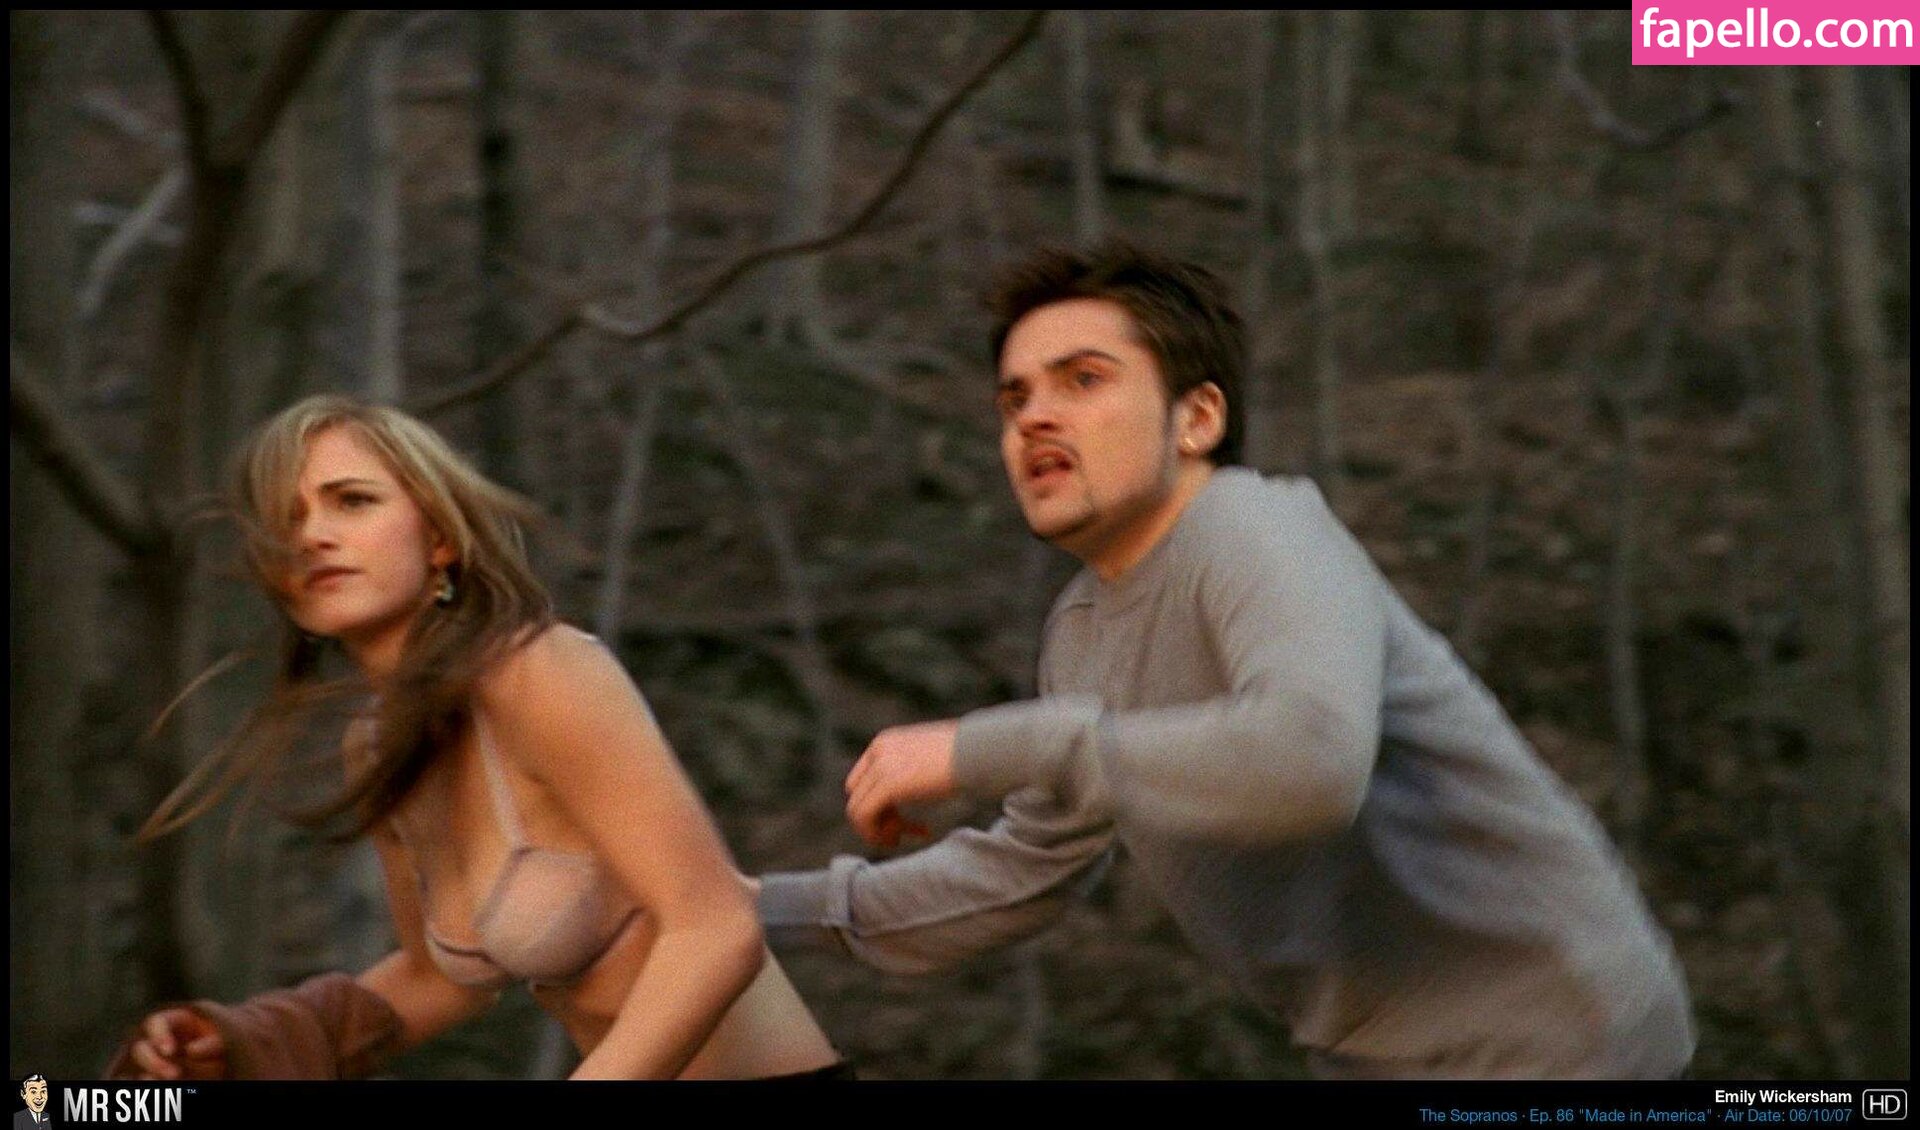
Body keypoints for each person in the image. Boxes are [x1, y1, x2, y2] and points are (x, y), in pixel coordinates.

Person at [757, 243, 1696, 1079]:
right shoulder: (1080, 633)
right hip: (1377, 1058)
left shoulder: (1253, 526)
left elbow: (1308, 763)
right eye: (1016, 398)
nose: (1035, 418)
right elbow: (1019, 871)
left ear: (1197, 419)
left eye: (1083, 380)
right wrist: (760, 912)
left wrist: (985, 747)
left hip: (1561, 1044)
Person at [108, 396, 845, 1081]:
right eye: (286, 518)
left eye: (352, 501)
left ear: (439, 539)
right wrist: (252, 1037)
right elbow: (439, 980)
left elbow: (716, 927)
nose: (312, 536)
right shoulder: (376, 744)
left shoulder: (539, 670)